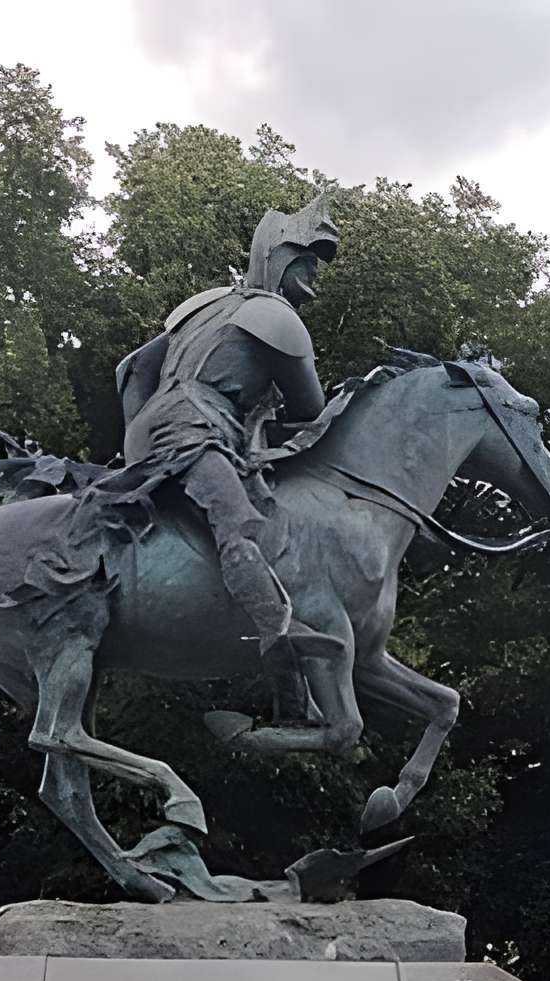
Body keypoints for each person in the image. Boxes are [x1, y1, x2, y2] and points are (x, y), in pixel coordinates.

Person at [73, 191, 342, 662]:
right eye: (307, 262)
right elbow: (311, 410)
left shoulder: (206, 306)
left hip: (160, 424)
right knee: (239, 522)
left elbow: (131, 370)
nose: (315, 274)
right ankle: (277, 629)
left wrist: (138, 440)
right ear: (280, 260)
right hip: (194, 428)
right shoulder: (278, 319)